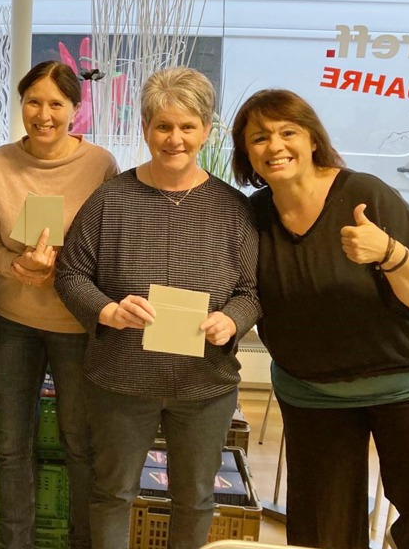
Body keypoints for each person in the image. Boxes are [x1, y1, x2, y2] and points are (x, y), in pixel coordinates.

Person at [230, 89, 409, 549]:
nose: (274, 146)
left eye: (287, 132)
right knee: (322, 531)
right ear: (246, 154)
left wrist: (389, 253)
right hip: (314, 394)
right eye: (259, 138)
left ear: (312, 139)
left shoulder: (365, 194)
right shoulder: (251, 216)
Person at [54, 66, 260, 549]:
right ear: (145, 129)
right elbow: (70, 274)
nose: (175, 139)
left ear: (207, 131)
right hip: (122, 379)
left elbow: (251, 290)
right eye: (163, 126)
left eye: (188, 127)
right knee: (113, 493)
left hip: (204, 385)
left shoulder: (234, 208)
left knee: (195, 498)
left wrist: (232, 320)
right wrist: (106, 311)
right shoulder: (110, 200)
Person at [0, 60, 117, 549]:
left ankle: (82, 541)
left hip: (77, 323)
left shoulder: (100, 164)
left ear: (76, 109)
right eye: (33, 101)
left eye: (56, 103)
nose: (43, 114)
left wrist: (69, 272)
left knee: (79, 443)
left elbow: (110, 247)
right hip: (12, 320)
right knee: (13, 443)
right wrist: (15, 268)